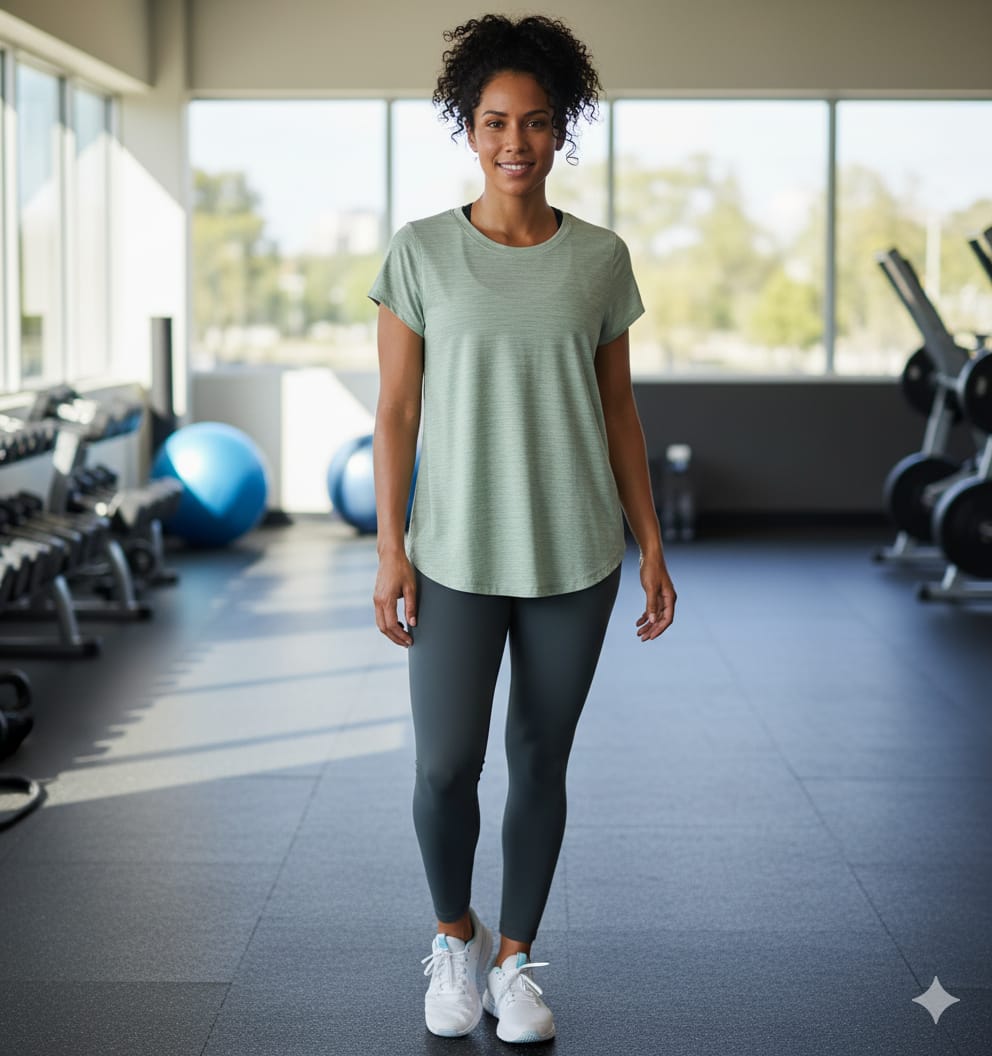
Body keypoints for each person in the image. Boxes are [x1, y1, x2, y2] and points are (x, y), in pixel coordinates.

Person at [369, 13, 676, 1044]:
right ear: (467, 125)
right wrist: (388, 550)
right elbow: (397, 412)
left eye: (537, 123)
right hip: (453, 553)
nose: (515, 142)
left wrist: (649, 541)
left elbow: (619, 411)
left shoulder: (598, 260)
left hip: (572, 553)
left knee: (540, 760)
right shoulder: (419, 252)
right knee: (444, 768)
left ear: (561, 132)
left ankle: (513, 965)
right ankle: (453, 938)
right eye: (495, 121)